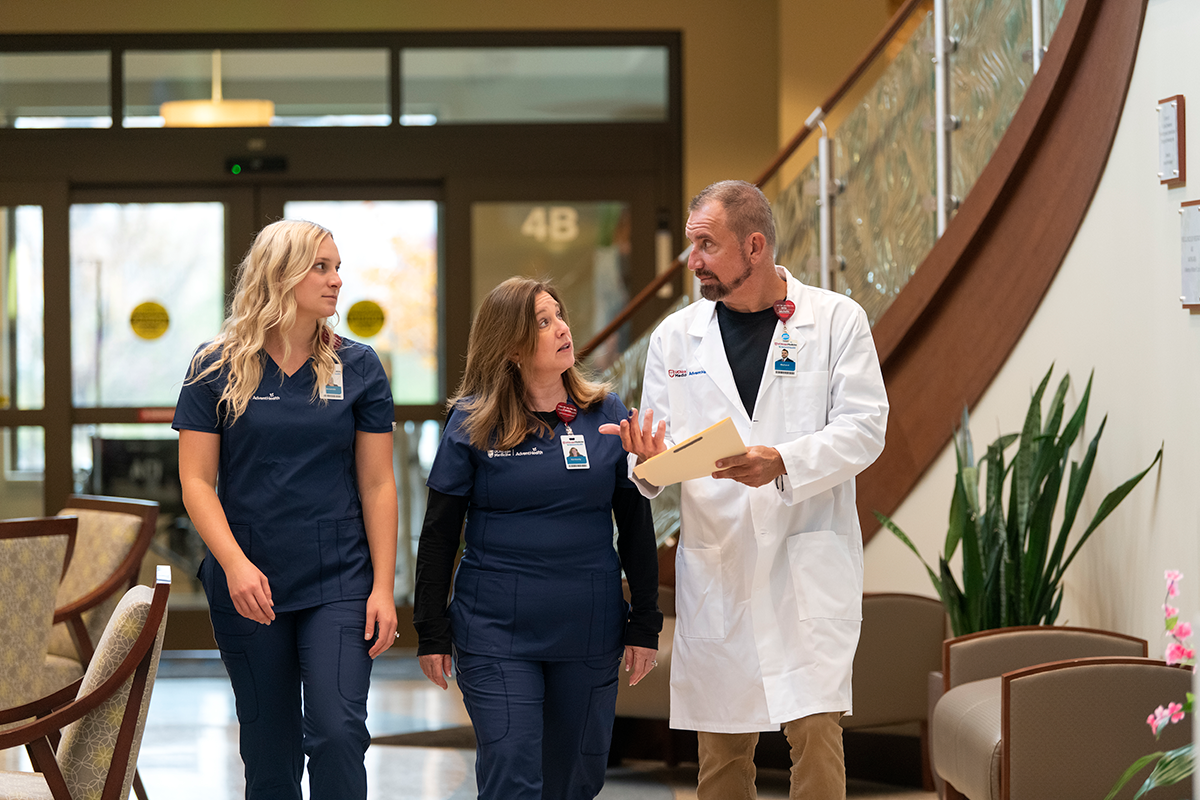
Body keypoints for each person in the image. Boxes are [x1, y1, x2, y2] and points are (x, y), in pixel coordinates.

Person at [602, 180, 888, 800]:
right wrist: (646, 463)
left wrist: (782, 460)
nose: (693, 260)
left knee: (816, 739)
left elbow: (866, 430)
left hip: (804, 562)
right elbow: (655, 457)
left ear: (754, 246)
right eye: (692, 245)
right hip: (721, 567)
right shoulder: (676, 337)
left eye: (707, 244)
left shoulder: (835, 320)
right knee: (722, 756)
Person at [175, 219, 399, 800]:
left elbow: (378, 484)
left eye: (337, 267)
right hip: (250, 579)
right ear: (281, 273)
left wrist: (383, 586)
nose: (336, 280)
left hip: (339, 576)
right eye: (321, 267)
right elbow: (196, 482)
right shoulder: (214, 365)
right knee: (269, 752)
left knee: (338, 732)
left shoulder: (359, 366)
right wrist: (234, 565)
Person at [413, 276, 661, 800]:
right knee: (512, 774)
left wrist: (645, 621)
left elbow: (636, 526)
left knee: (575, 781)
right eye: (543, 323)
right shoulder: (472, 422)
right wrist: (431, 629)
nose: (562, 329)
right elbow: (439, 534)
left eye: (559, 316)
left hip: (588, 628)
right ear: (511, 347)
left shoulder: (608, 415)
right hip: (495, 630)